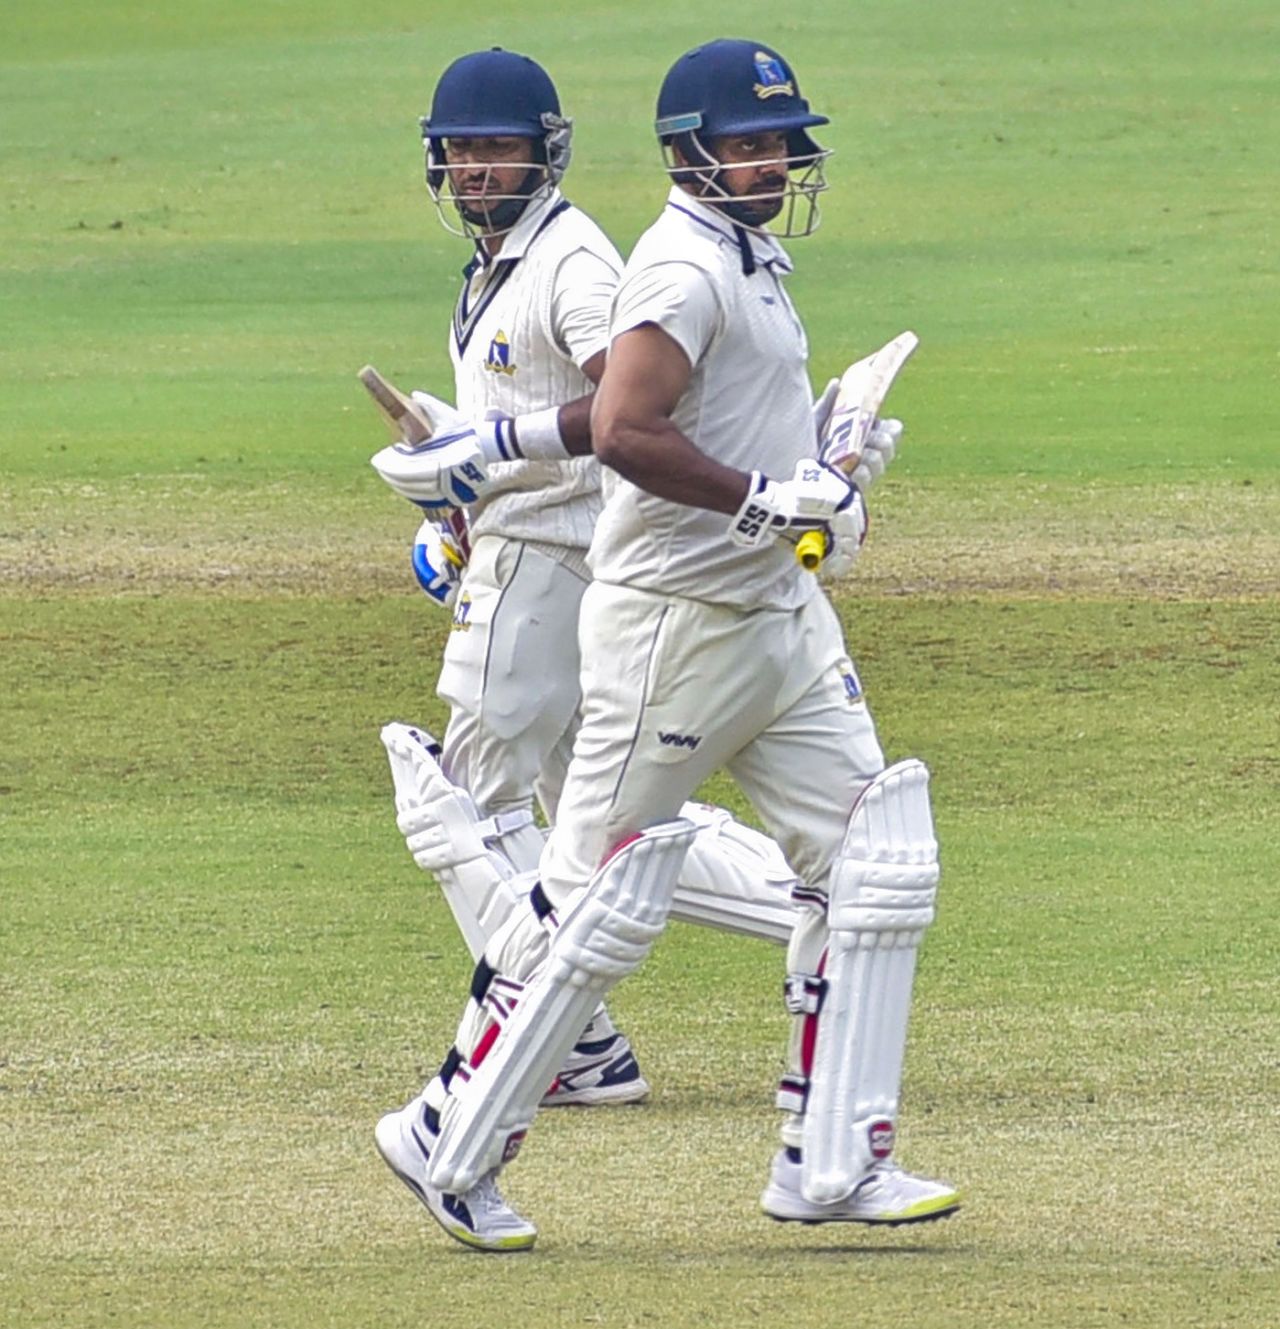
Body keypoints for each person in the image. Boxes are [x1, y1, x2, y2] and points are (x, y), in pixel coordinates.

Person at [371, 39, 960, 1253]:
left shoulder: (753, 260)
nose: (771, 160)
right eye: (746, 143)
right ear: (690, 151)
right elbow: (628, 429)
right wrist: (760, 497)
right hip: (672, 625)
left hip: (779, 620)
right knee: (592, 907)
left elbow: (736, 425)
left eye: (779, 141)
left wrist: (828, 460)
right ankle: (448, 1135)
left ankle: (832, 1161)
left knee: (873, 862)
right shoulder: (677, 269)